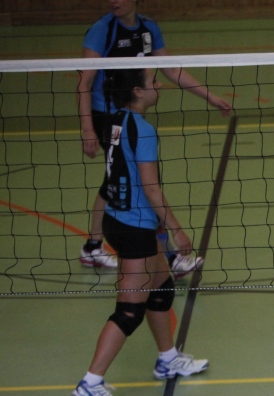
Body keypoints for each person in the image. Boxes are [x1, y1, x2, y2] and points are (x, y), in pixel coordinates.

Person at [72, 67, 207, 396]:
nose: (159, 85)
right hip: (134, 227)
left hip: (120, 219)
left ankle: (168, 359)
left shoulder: (114, 121)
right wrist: (175, 229)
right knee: (130, 311)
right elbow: (150, 187)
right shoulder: (143, 130)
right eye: (153, 82)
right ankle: (91, 382)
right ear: (137, 91)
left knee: (161, 289)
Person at [78, 0, 232, 273]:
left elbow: (170, 69)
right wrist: (87, 129)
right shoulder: (103, 30)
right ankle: (170, 256)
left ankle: (93, 246)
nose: (114, 1)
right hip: (108, 116)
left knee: (116, 180)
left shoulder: (148, 28)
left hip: (130, 116)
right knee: (144, 185)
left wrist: (210, 97)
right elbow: (85, 82)